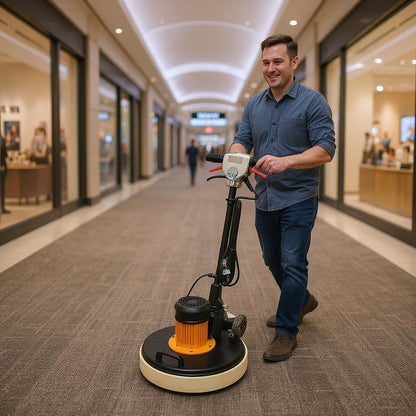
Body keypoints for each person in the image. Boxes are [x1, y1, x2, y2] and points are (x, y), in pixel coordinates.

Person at [229, 34, 336, 362]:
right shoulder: (255, 105)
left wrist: (285, 161)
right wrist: (237, 158)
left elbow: (326, 150)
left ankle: (287, 331)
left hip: (299, 198)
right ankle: (301, 299)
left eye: (277, 61)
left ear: (293, 62)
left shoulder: (312, 102)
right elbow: (241, 139)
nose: (270, 68)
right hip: (265, 198)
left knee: (292, 263)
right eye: (265, 63)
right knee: (272, 260)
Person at [1, 133, 11, 214]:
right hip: (2, 167)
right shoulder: (2, 139)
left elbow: (4, 154)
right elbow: (5, 154)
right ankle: (2, 207)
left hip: (2, 167)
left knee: (2, 188)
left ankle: (3, 207)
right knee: (2, 188)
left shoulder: (2, 139)